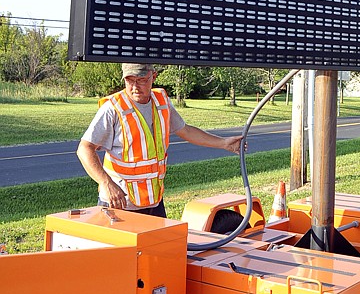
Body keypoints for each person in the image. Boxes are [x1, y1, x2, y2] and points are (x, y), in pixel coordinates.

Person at [77, 63, 244, 218]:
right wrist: (106, 183)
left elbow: (185, 130)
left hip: (153, 201)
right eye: (129, 80)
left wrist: (224, 143)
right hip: (119, 204)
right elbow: (84, 148)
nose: (135, 86)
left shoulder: (161, 101)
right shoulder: (113, 108)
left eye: (141, 80)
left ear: (153, 76)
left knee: (160, 249)